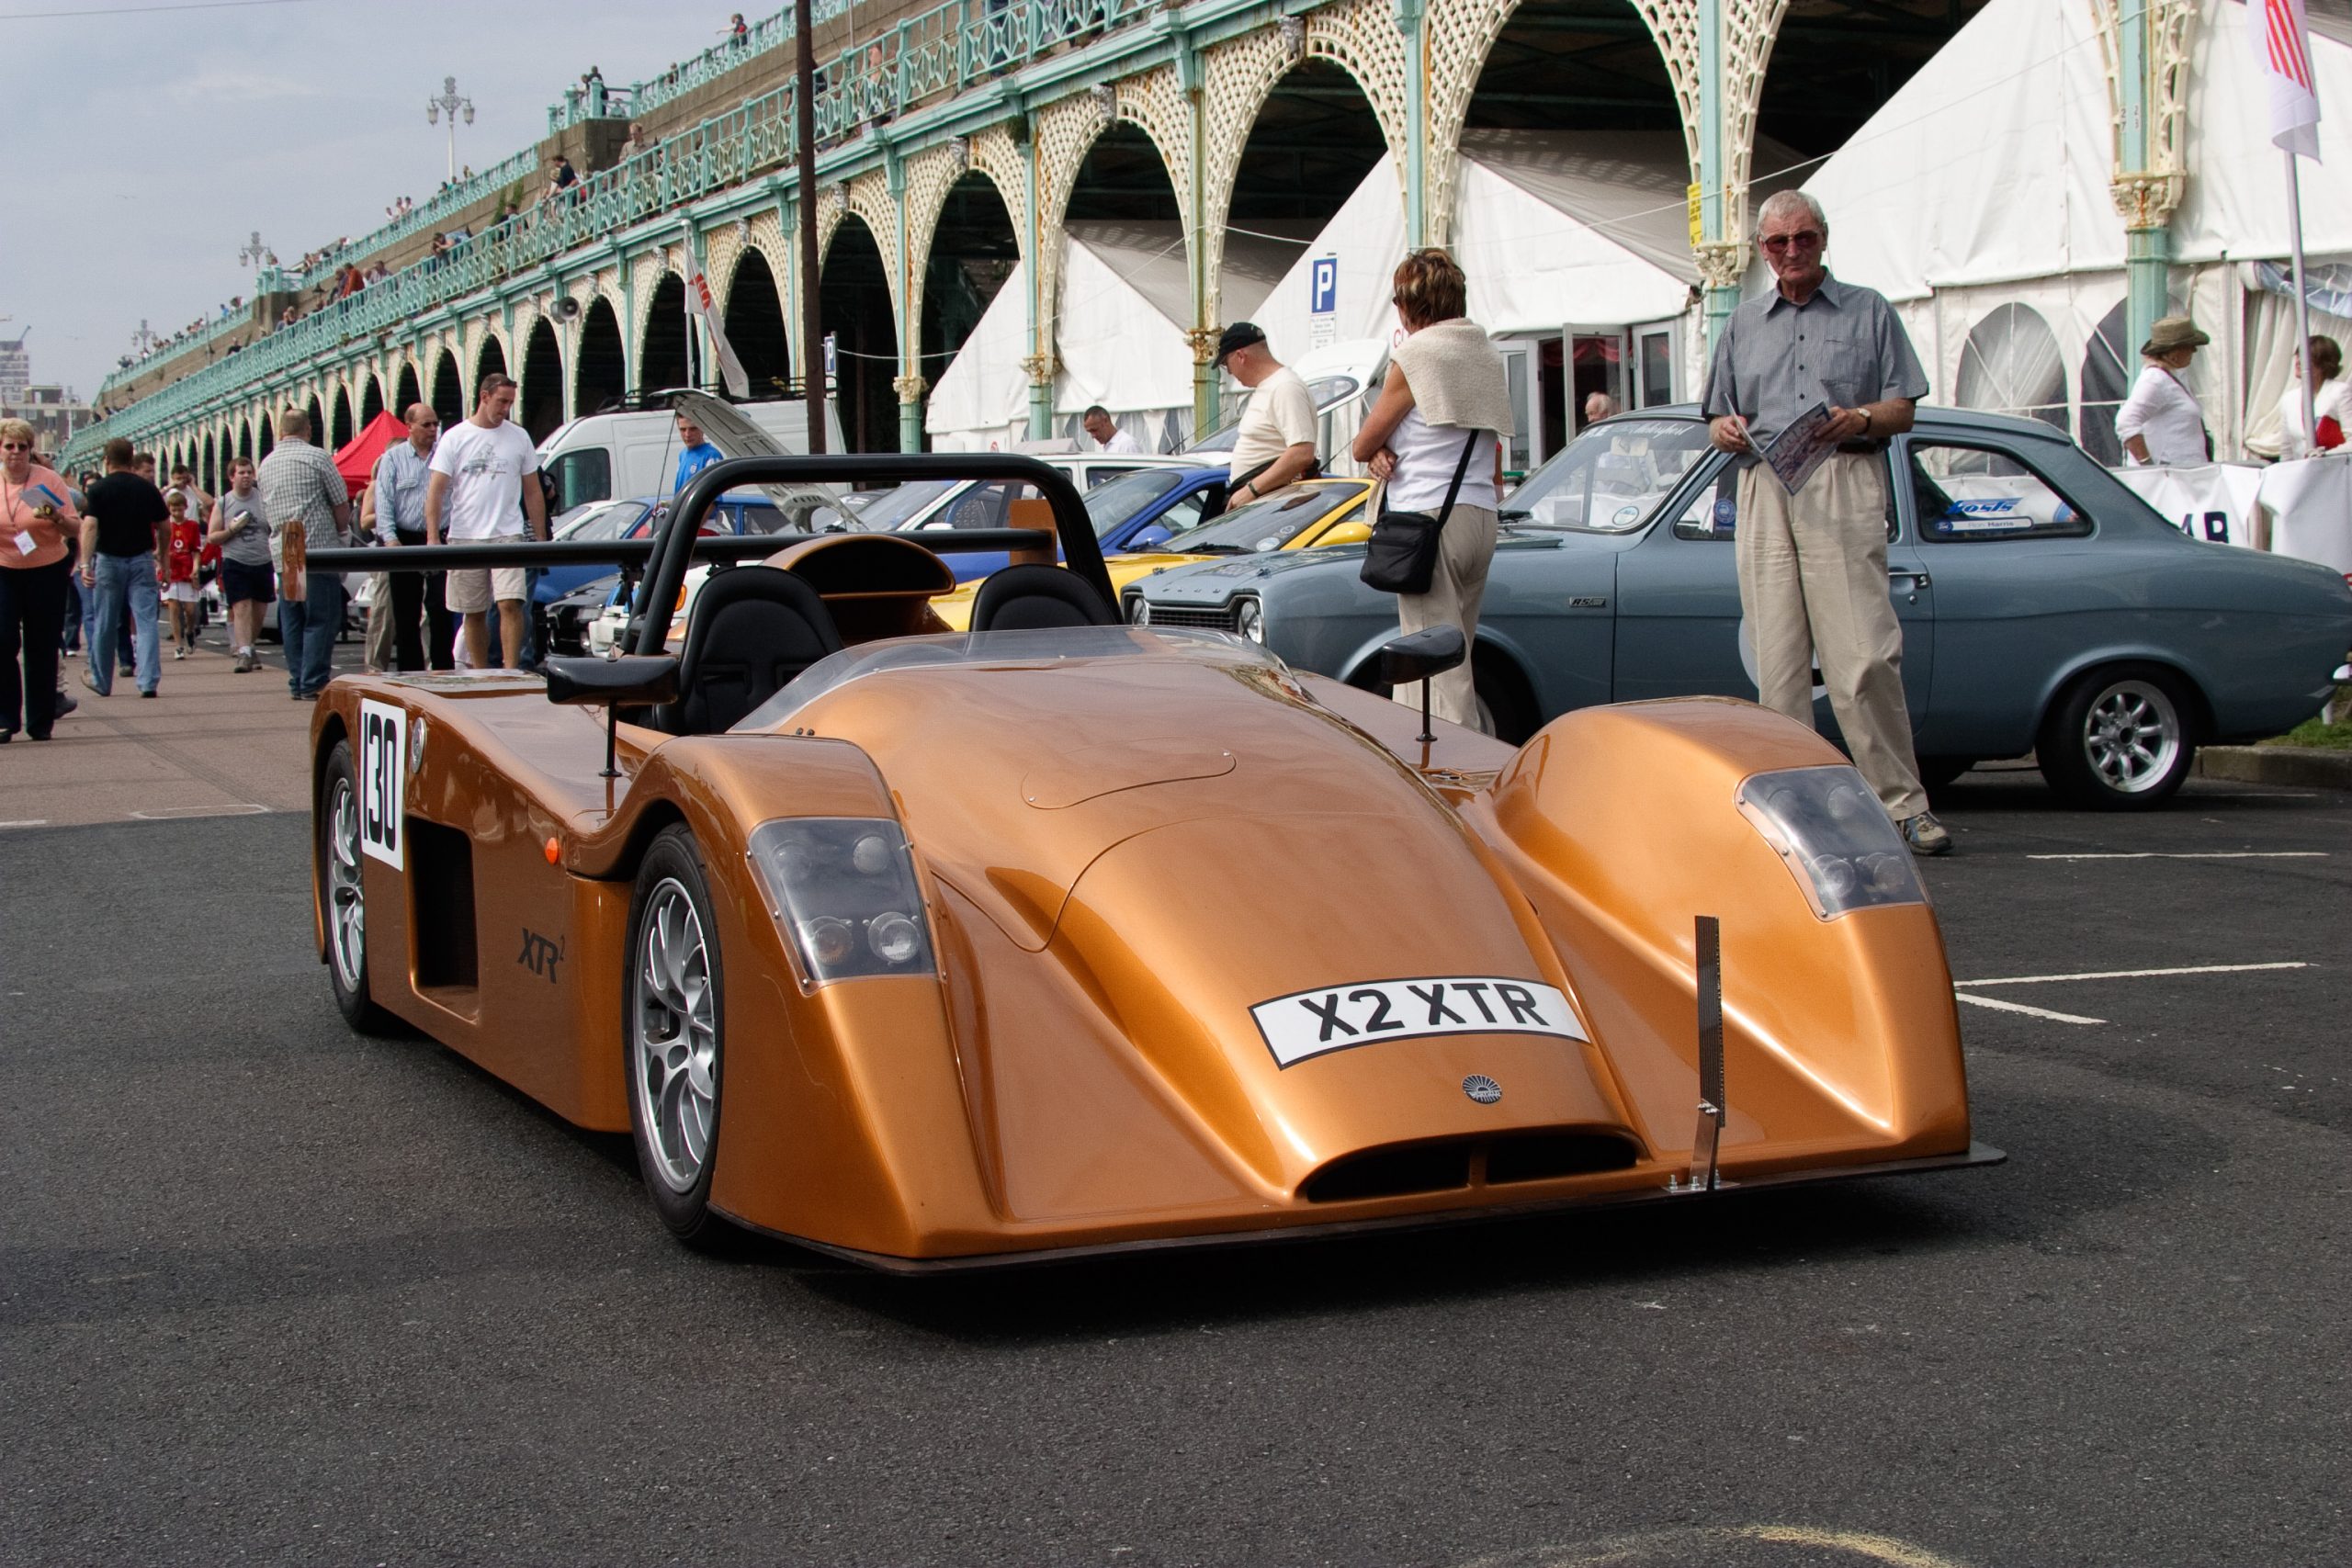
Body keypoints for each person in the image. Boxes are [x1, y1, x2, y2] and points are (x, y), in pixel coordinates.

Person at [1702, 189, 1949, 856]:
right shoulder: (1743, 322)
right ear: (1761, 250)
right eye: (1777, 243)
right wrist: (1722, 428)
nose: (1790, 252)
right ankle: (1790, 809)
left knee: (1863, 655)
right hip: (1762, 482)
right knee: (1777, 663)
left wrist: (1861, 418)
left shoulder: (1868, 310)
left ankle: (1902, 803)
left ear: (1823, 239)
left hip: (1841, 472)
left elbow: (1904, 408)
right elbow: (1715, 414)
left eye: (1802, 238)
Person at [1350, 249, 1513, 733]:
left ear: (1407, 305)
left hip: (1428, 521)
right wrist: (1381, 449)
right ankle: (1411, 755)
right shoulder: (1483, 353)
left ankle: (1461, 777)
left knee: (1436, 668)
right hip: (1479, 516)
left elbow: (1362, 443)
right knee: (1450, 647)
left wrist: (1375, 450)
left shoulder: (1416, 355)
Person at [426, 373, 547, 671]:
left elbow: (533, 490)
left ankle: (510, 668)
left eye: (509, 403)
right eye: (501, 401)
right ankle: (480, 671)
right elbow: (436, 490)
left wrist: (541, 539)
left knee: (510, 602)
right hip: (466, 533)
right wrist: (432, 536)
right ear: (484, 397)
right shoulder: (455, 437)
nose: (505, 408)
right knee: (474, 610)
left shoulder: (519, 436)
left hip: (508, 532)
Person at [256, 406, 355, 701]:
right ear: (309, 430)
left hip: (288, 547)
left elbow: (264, 512)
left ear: (280, 432)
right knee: (321, 617)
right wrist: (341, 534)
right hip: (317, 548)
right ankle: (313, 680)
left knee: (294, 617)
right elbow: (340, 503)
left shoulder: (266, 464)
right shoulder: (318, 457)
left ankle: (298, 679)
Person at [1, 418, 80, 742]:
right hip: (4, 568)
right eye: (9, 446)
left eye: (22, 447)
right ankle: (5, 718)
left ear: (31, 450)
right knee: (3, 641)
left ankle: (41, 720)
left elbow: (74, 527)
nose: (16, 453)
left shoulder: (45, 481)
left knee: (42, 644)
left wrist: (55, 516)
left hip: (46, 568)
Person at [77, 436, 169, 699]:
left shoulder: (97, 490)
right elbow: (164, 527)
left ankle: (101, 679)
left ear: (106, 461)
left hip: (108, 560)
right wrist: (164, 559)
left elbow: (90, 526)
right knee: (146, 620)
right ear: (131, 459)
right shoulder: (147, 489)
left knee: (105, 621)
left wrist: (85, 563)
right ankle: (148, 681)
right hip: (141, 559)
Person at [373, 403, 452, 671]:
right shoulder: (393, 459)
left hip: (440, 536)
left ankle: (443, 668)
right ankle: (411, 671)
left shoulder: (444, 454)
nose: (433, 430)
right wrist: (391, 540)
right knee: (406, 614)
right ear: (409, 427)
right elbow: (384, 501)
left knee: (441, 608)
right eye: (426, 425)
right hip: (405, 538)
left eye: (435, 424)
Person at [1216, 322, 1317, 505]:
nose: (1230, 373)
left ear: (1240, 356)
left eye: (1226, 364)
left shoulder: (1285, 387)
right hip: (1263, 501)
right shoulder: (1272, 386)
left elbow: (1302, 452)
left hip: (1272, 503)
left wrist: (1251, 490)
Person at [206, 455, 273, 671]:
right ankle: (243, 653)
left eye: (249, 472)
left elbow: (273, 527)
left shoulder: (263, 499)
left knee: (259, 611)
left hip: (262, 560)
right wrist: (232, 530)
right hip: (235, 560)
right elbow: (212, 536)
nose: (246, 476)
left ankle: (249, 646)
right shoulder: (224, 502)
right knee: (242, 606)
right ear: (231, 477)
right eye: (241, 473)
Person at [2115, 316, 2211, 467]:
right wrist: (2148, 465)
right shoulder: (2155, 380)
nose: (2194, 350)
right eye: (2188, 346)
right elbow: (2126, 422)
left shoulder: (2169, 377)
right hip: (2169, 478)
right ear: (2173, 352)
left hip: (2182, 476)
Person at [2278, 334, 2348, 460]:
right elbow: (2286, 451)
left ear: (2323, 364)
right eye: (2298, 356)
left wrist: (2326, 454)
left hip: (2336, 473)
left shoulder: (2340, 392)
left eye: (2305, 357)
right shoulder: (2288, 399)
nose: (2298, 361)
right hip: (2303, 475)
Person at [160, 489, 211, 660]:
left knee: (190, 610)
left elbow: (196, 550)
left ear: (185, 508)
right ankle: (178, 645)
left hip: (187, 570)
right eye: (173, 510)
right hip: (171, 570)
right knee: (174, 607)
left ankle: (189, 631)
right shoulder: (166, 526)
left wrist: (196, 568)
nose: (177, 513)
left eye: (180, 509)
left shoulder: (192, 526)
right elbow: (160, 549)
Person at [673, 412, 722, 492]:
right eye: (683, 429)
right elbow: (681, 498)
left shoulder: (711, 456)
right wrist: (666, 504)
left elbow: (711, 499)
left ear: (702, 429)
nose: (687, 434)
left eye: (693, 429)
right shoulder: (682, 455)